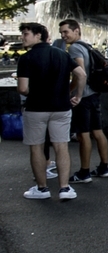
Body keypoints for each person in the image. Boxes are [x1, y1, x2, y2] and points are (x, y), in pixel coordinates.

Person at [17, 23, 86, 200]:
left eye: (26, 34)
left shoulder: (27, 58)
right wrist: (77, 95)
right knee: (61, 146)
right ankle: (65, 188)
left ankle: (42, 189)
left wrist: (36, 92)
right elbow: (82, 75)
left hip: (36, 109)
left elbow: (23, 89)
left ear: (38, 35)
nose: (22, 38)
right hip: (61, 107)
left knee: (37, 147)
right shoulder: (62, 54)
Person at [58, 19, 108, 183]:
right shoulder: (87, 46)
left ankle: (84, 172)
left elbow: (80, 73)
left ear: (76, 31)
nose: (63, 35)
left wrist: (74, 92)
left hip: (84, 97)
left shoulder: (75, 48)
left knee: (83, 134)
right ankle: (104, 168)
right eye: (61, 32)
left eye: (66, 32)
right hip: (94, 94)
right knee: (97, 131)